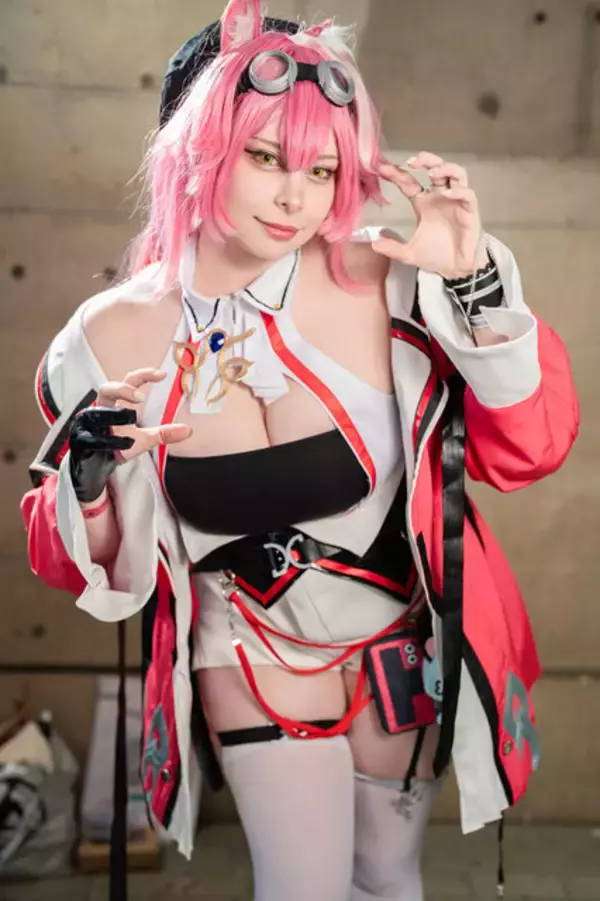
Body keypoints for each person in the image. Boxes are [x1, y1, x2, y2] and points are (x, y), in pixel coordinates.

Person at [21, 1, 579, 899]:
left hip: (398, 643)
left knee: (388, 880)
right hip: (248, 653)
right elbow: (71, 561)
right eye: (265, 158)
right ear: (197, 148)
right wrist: (85, 481)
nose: (296, 198)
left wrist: (473, 283)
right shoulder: (107, 336)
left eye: (322, 169)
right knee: (301, 888)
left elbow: (533, 448)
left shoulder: (387, 279)